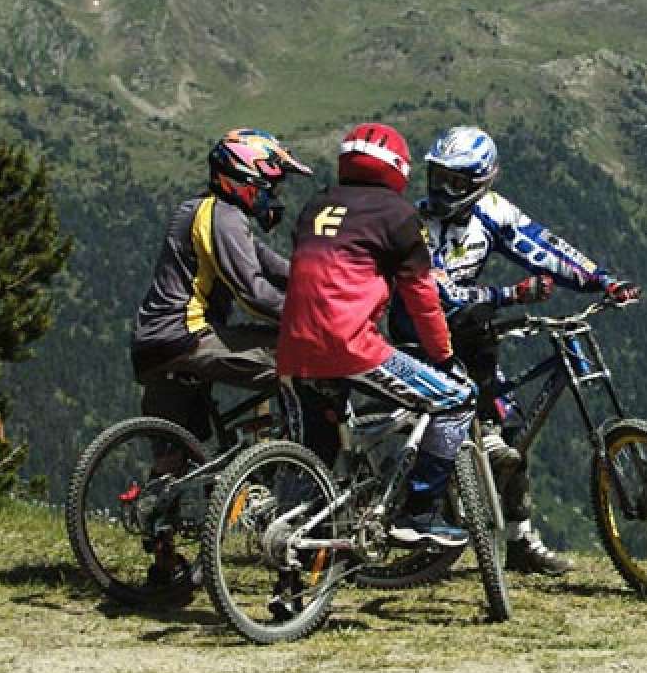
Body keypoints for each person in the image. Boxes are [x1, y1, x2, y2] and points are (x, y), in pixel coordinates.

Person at [392, 125, 641, 575]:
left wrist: (603, 280)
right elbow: (437, 296)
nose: (442, 190)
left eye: (455, 181)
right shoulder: (414, 224)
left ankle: (520, 539)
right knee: (467, 424)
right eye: (436, 177)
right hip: (420, 336)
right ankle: (427, 521)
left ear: (480, 182)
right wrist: (512, 295)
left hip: (469, 334)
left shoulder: (492, 212)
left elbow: (545, 248)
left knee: (511, 433)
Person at [276, 122, 476, 551]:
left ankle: (296, 561)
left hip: (292, 348)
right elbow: (422, 297)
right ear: (399, 169)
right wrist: (442, 356)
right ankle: (419, 515)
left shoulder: (316, 205)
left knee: (318, 453)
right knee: (457, 400)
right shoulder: (398, 216)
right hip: (350, 346)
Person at [131, 127, 311, 584]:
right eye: (271, 184)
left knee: (175, 451)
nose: (274, 195)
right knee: (295, 361)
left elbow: (272, 266)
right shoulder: (224, 216)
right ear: (245, 176)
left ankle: (164, 557)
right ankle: (287, 470)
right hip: (190, 338)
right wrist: (313, 314)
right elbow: (253, 291)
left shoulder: (202, 211)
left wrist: (319, 280)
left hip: (154, 346)